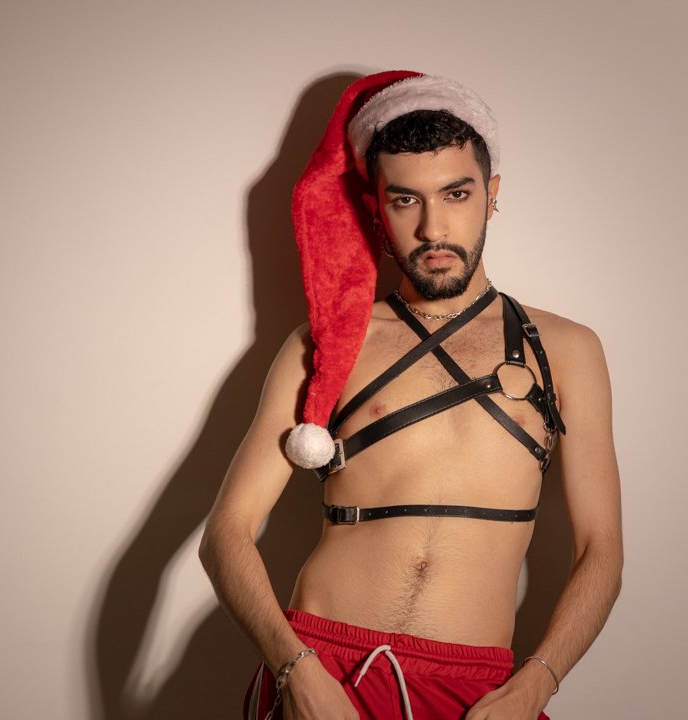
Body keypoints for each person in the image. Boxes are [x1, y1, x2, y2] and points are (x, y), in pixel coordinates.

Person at [200, 70, 622, 720]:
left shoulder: (565, 349)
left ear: (492, 194)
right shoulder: (328, 342)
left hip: (478, 691)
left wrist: (538, 683)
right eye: (406, 200)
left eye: (456, 194)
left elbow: (601, 552)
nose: (433, 228)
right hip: (323, 670)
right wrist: (296, 670)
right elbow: (226, 532)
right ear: (377, 206)